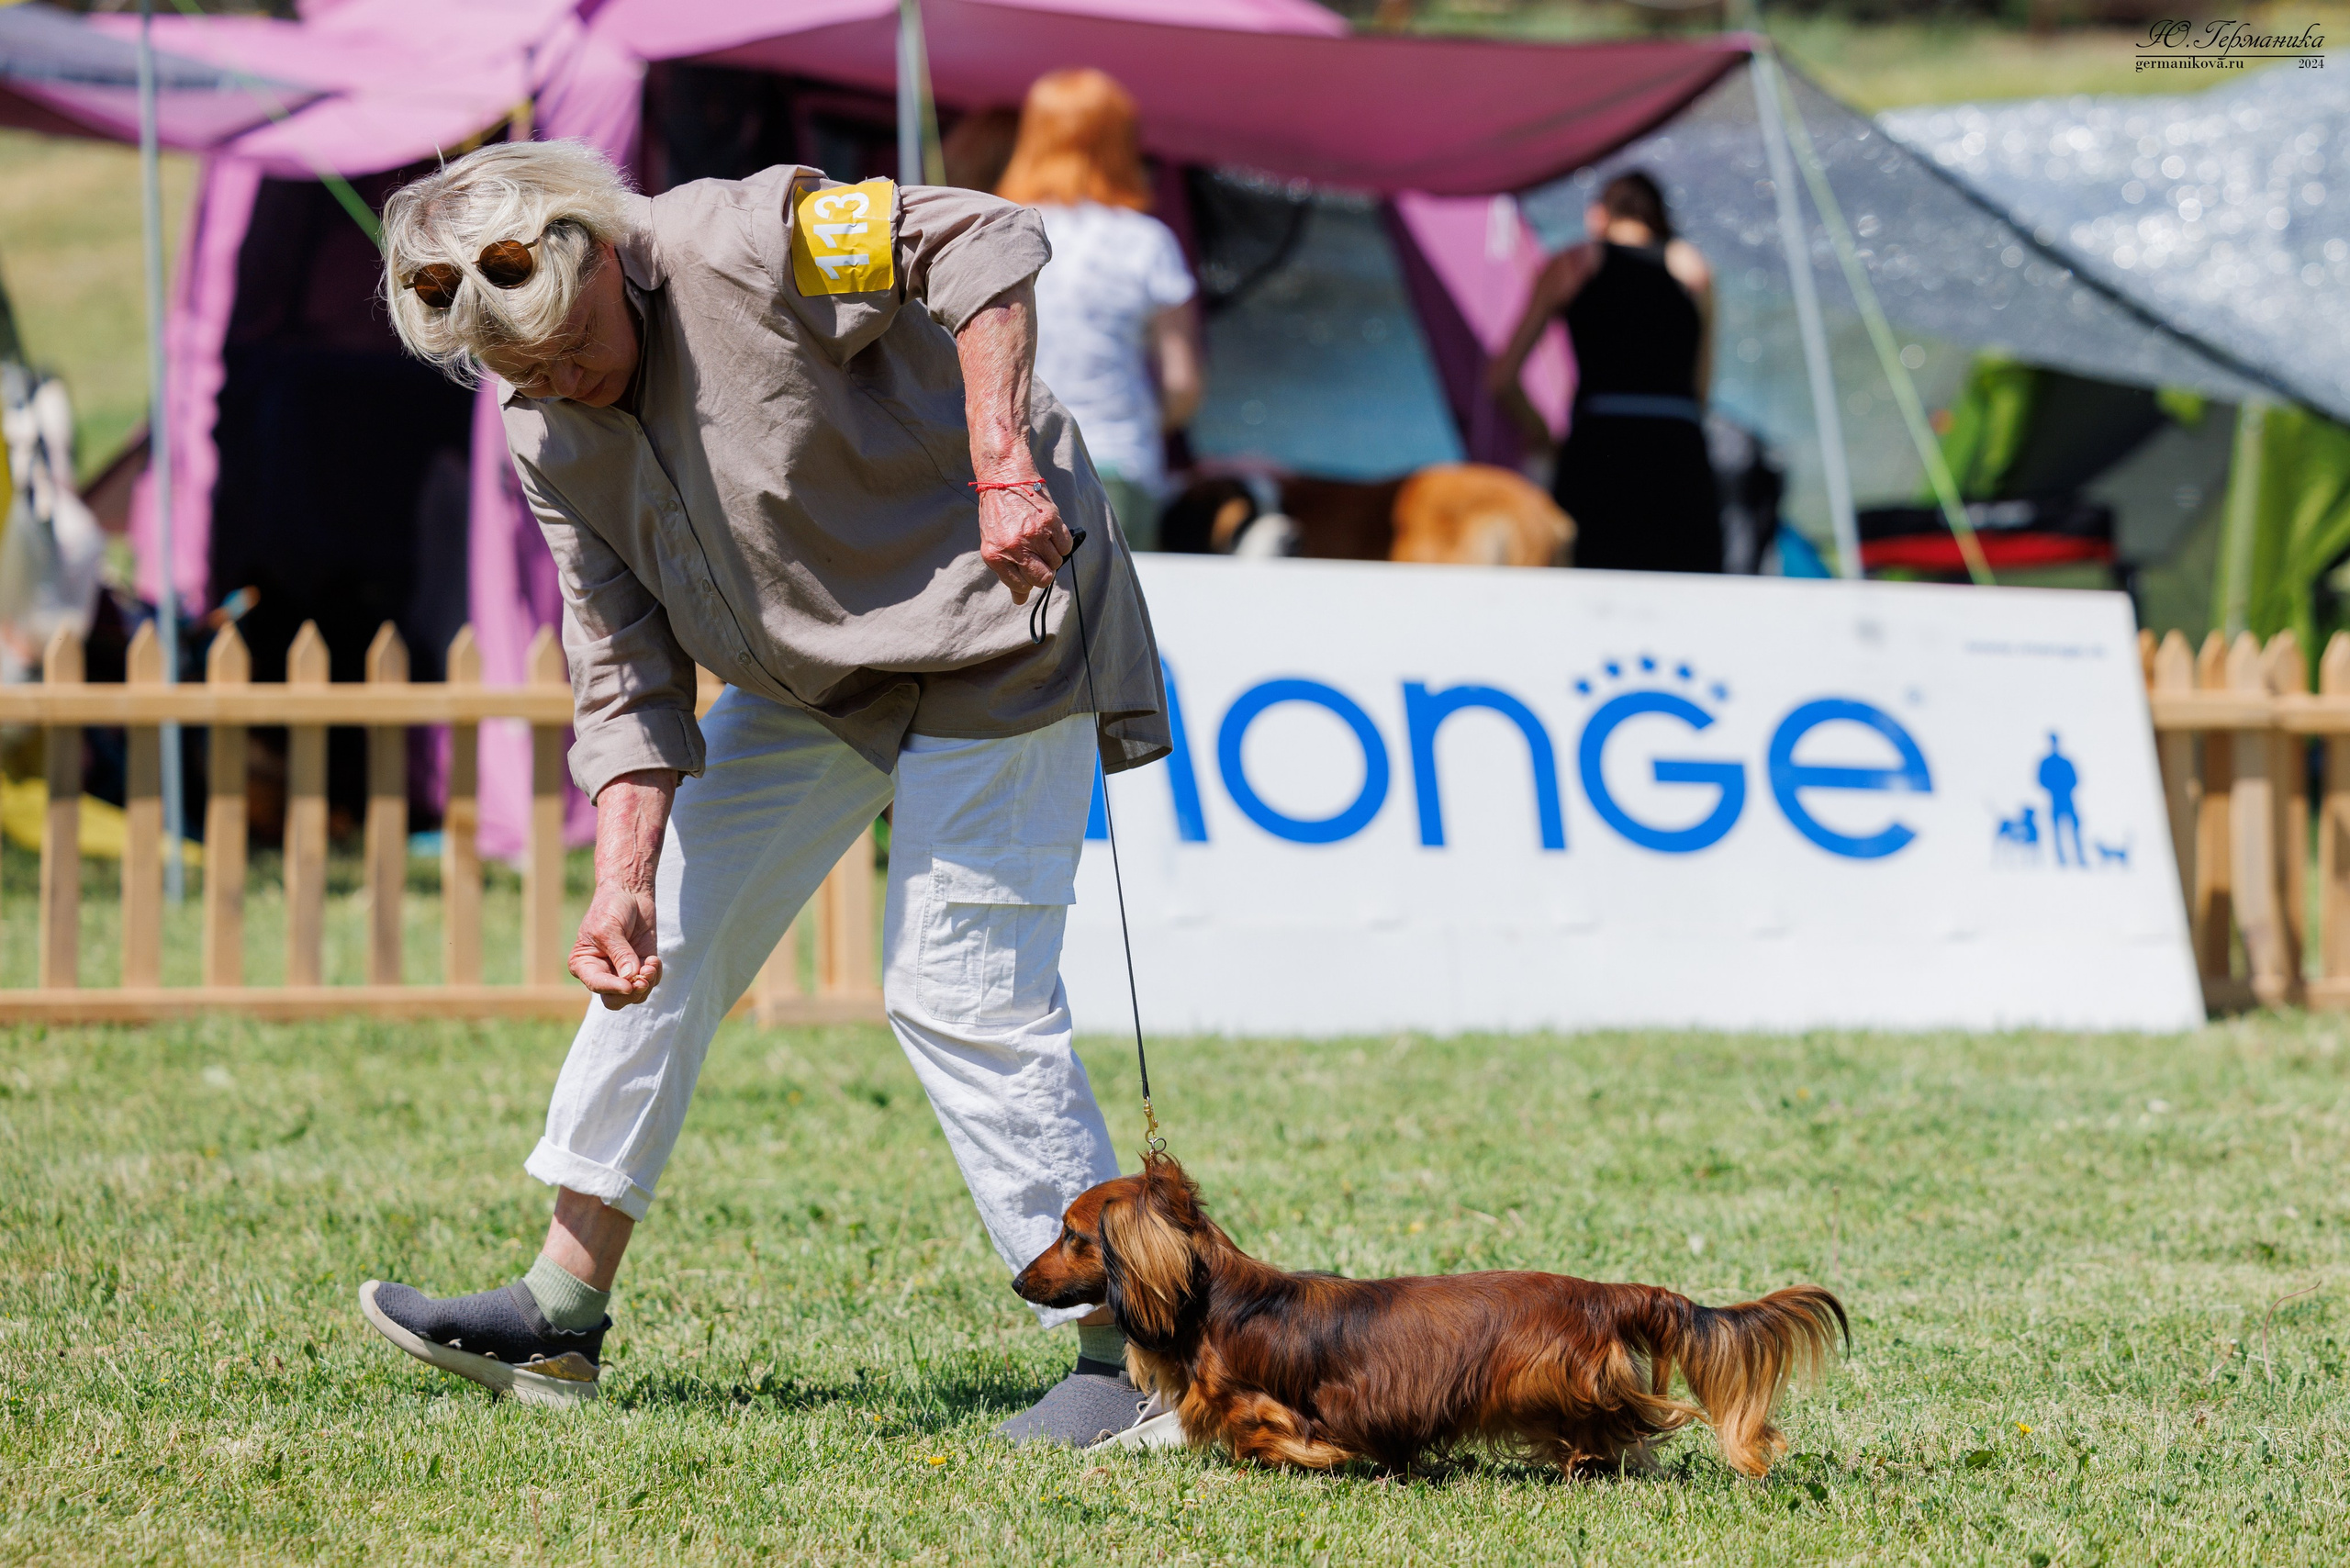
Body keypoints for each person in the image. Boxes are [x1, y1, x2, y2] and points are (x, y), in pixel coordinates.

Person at [356, 139, 1174, 1450]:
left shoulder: (745, 235)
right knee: (662, 940)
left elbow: (980, 237)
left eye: (570, 347)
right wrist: (621, 878)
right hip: (813, 681)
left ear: (608, 253)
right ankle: (560, 1312)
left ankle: (1132, 1356)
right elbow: (623, 666)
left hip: (999, 626)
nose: (560, 383)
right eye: (522, 373)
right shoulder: (542, 430)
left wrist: (1002, 459)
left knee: (958, 991)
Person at [997, 69, 1202, 551]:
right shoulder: (1146, 242)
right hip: (1115, 459)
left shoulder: (998, 231)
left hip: (1010, 464)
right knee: (1110, 625)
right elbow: (1182, 385)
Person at [1489, 171, 1721, 574]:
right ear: (1659, 219)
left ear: (1599, 217)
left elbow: (1502, 379)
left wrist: (1545, 435)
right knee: (1683, 597)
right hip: (1677, 453)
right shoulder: (1693, 269)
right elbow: (1700, 392)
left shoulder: (1574, 264)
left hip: (1600, 448)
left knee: (1585, 591)